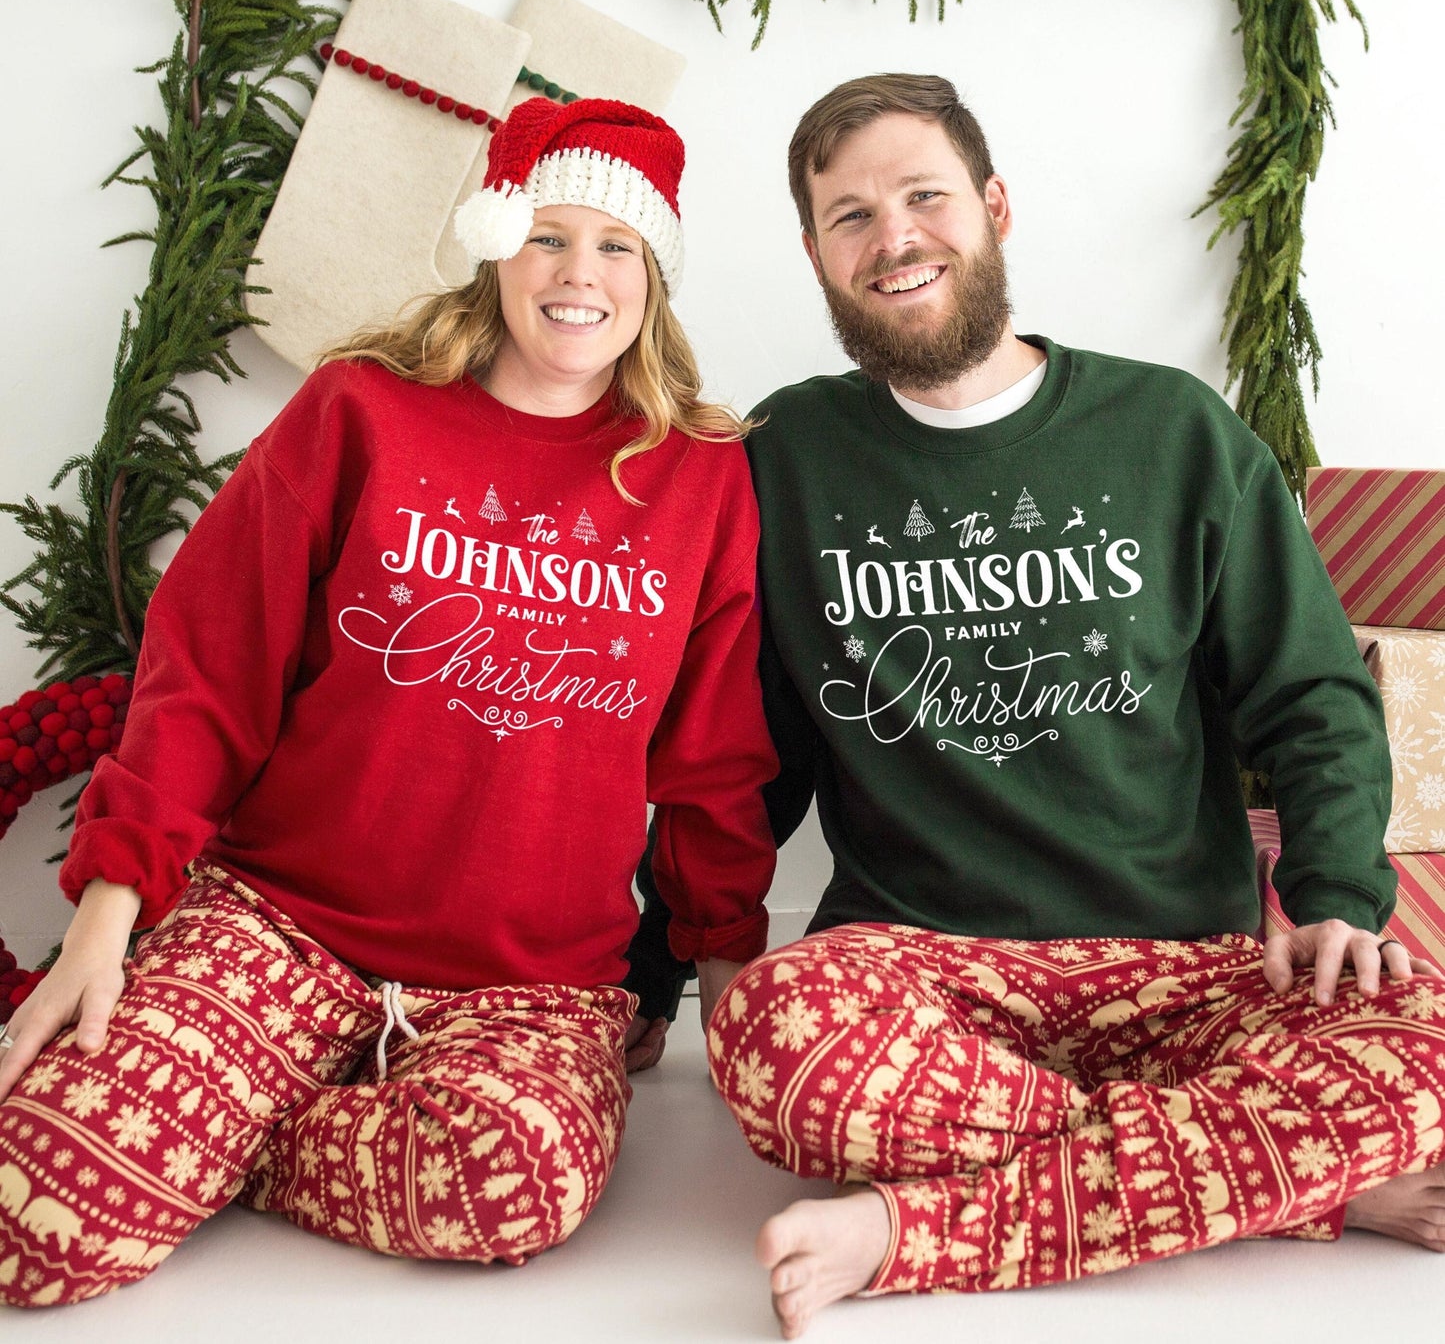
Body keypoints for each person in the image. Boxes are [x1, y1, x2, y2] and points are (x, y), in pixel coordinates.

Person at [635, 72, 1445, 1337]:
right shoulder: (783, 455)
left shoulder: (1172, 429)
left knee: (1427, 1035)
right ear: (812, 254)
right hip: (921, 967)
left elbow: (1308, 688)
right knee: (773, 1035)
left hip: (1186, 963)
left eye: (921, 196)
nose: (890, 237)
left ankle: (909, 1227)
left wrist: (1336, 893)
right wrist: (694, 953)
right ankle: (1299, 1186)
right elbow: (742, 745)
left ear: (993, 204)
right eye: (848, 216)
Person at [0, 97, 775, 1308]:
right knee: (33, 1214)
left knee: (510, 1184)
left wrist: (724, 965)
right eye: (546, 237)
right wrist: (110, 914)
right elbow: (208, 666)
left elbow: (711, 761)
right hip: (278, 924)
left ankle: (249, 1133)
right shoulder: (361, 409)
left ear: (653, 276)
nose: (579, 275)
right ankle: (260, 1102)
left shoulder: (702, 478)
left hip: (531, 980)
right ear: (493, 247)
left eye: (615, 246)